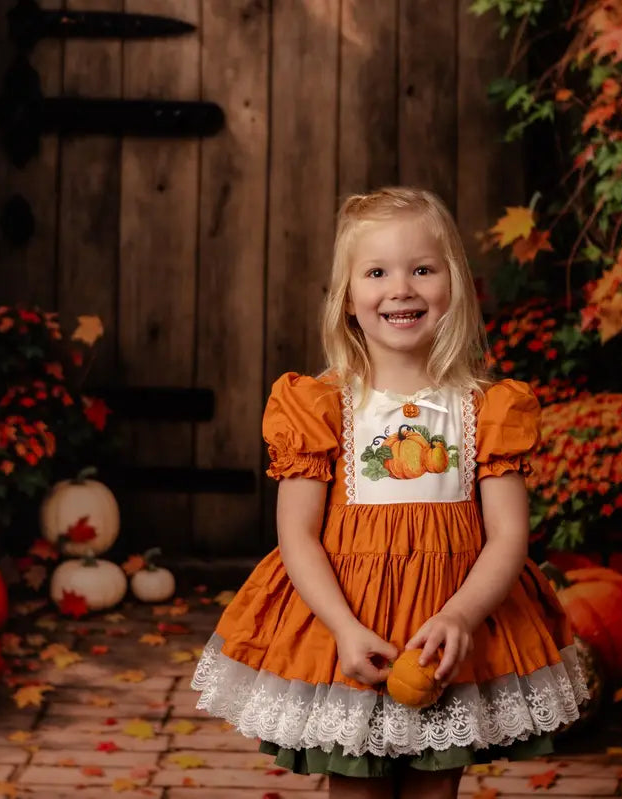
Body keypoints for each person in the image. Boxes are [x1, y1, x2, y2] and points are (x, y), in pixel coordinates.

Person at [190, 187, 586, 799]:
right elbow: (296, 535)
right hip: (350, 632)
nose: (401, 288)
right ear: (349, 298)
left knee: (436, 790)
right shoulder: (320, 406)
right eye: (377, 272)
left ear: (451, 284)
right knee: (358, 791)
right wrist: (343, 628)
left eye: (422, 269)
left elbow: (509, 534)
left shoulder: (487, 408)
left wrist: (461, 615)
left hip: (446, 634)